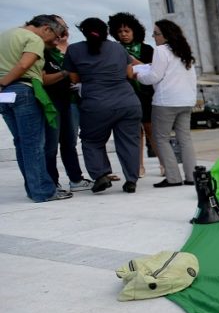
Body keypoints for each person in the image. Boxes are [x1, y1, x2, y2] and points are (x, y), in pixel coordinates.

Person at [63, 17, 142, 194]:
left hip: (96, 103)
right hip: (127, 102)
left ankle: (101, 175)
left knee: (92, 140)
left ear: (83, 32)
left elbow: (74, 79)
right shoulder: (118, 48)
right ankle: (131, 180)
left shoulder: (74, 50)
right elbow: (129, 73)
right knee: (129, 142)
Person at [0, 15, 70, 202]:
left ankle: (33, 189)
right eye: (55, 36)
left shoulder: (5, 35)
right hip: (24, 90)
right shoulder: (34, 39)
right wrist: (4, 82)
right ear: (46, 28)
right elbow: (24, 64)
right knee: (33, 144)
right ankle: (43, 191)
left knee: (21, 143)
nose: (55, 41)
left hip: (5, 96)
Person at [136, 20, 198, 188]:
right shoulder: (184, 51)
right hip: (186, 101)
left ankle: (173, 177)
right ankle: (192, 176)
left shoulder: (161, 50)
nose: (154, 37)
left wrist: (138, 76)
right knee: (185, 138)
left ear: (166, 35)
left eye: (156, 33)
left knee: (161, 138)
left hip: (166, 101)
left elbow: (154, 76)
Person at [41, 15, 91, 192]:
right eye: (58, 27)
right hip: (52, 102)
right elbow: (43, 78)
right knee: (51, 145)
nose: (62, 31)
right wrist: (65, 73)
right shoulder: (43, 51)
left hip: (72, 101)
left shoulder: (72, 49)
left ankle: (76, 179)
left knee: (69, 142)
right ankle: (51, 182)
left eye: (64, 26)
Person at [108, 12, 157, 178]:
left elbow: (151, 69)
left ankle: (164, 164)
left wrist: (130, 59)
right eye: (120, 31)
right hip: (126, 95)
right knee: (135, 133)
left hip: (146, 95)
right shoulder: (113, 49)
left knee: (152, 131)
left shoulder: (147, 49)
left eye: (127, 31)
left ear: (134, 31)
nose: (124, 34)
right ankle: (138, 166)